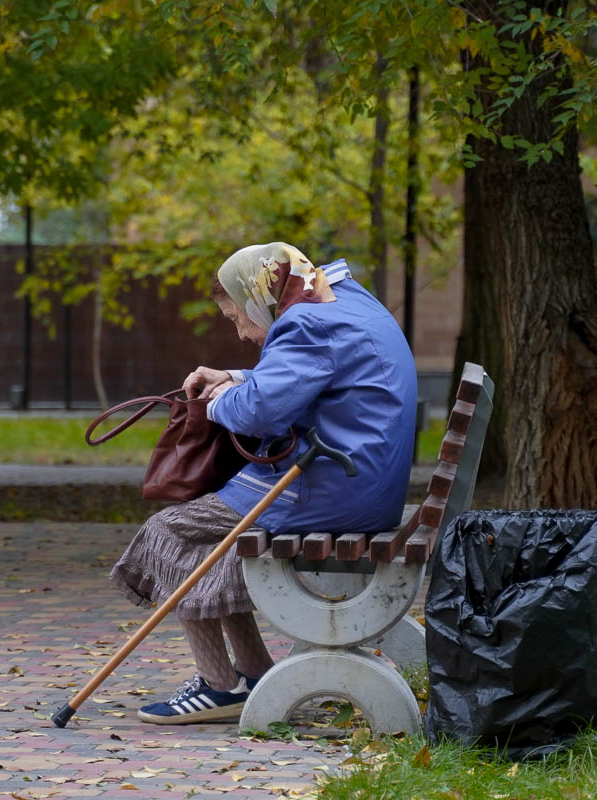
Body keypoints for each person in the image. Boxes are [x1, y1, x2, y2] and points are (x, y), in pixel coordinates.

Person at [110, 241, 418, 724]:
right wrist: (233, 376)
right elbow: (308, 376)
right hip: (360, 482)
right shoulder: (340, 299)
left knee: (169, 531)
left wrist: (214, 402)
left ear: (261, 293)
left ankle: (218, 685)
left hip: (326, 485)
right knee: (213, 539)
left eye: (238, 317)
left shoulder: (307, 322)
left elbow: (259, 412)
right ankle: (249, 676)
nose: (243, 334)